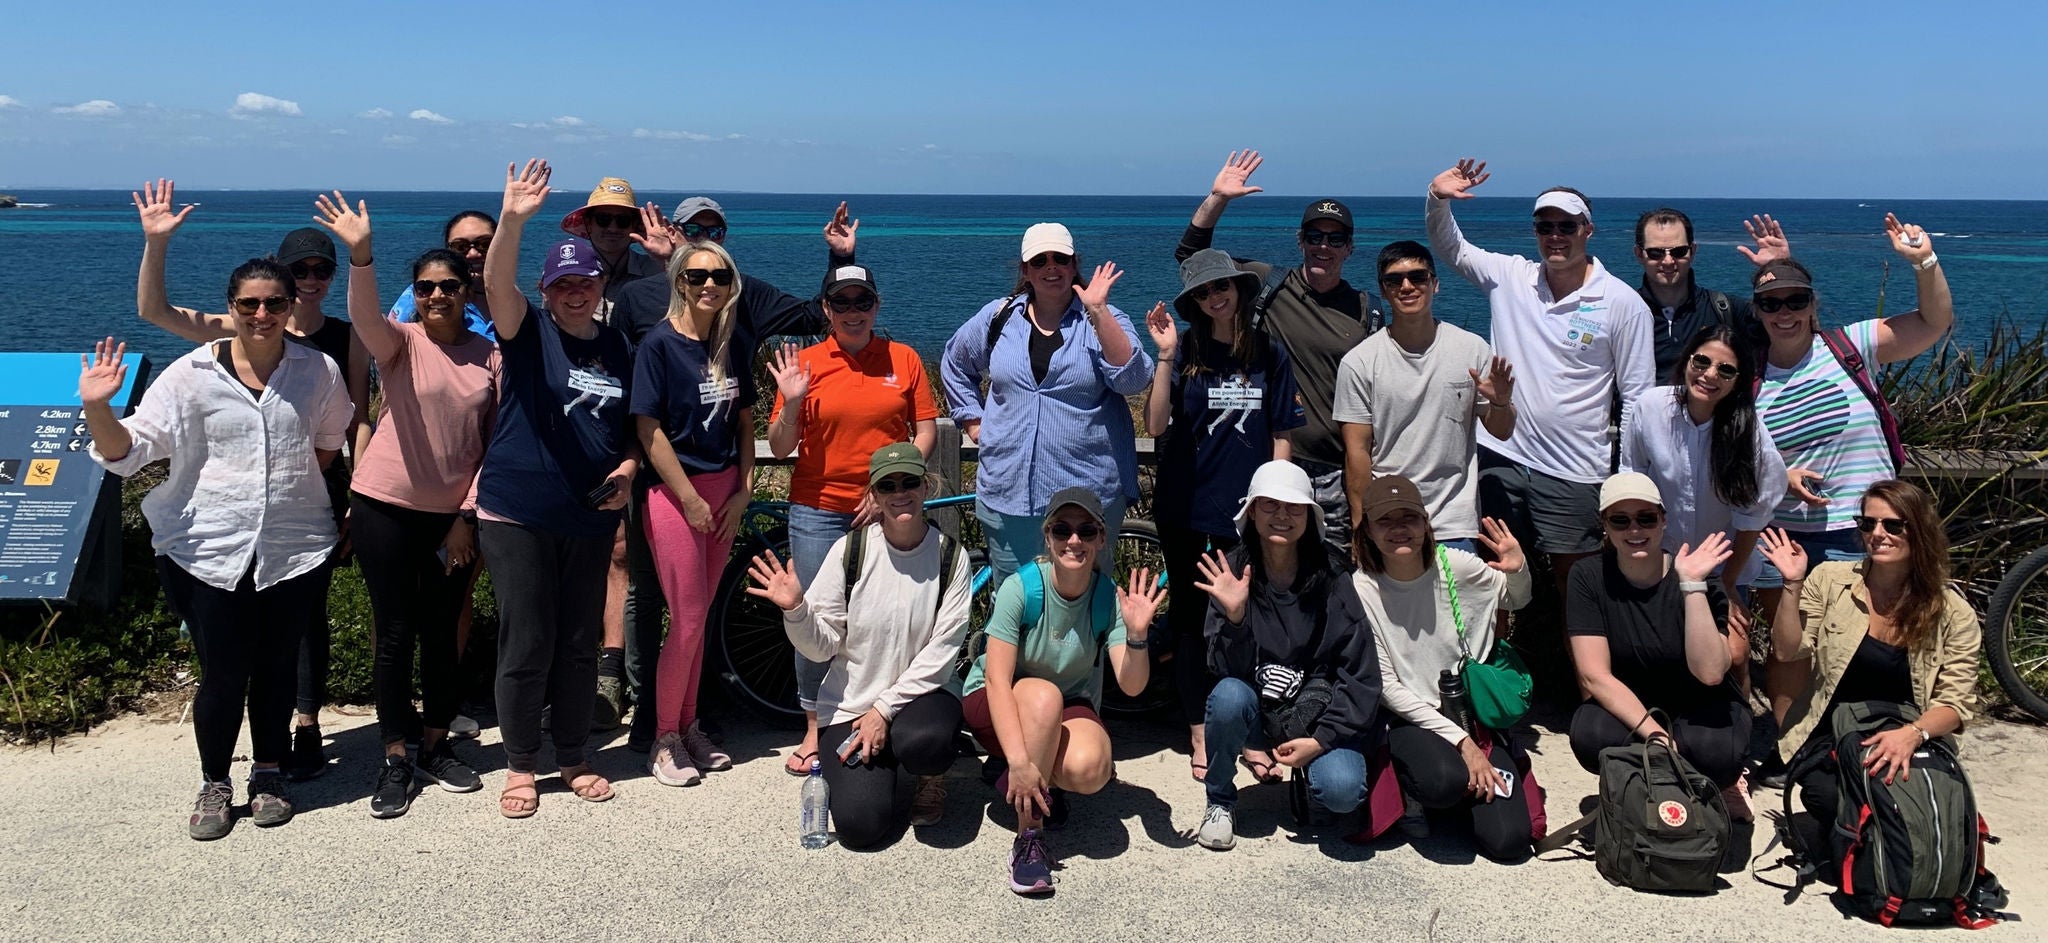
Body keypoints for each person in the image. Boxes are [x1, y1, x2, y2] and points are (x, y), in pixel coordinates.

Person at [82, 257, 352, 839]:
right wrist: (99, 407)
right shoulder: (189, 376)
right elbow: (127, 453)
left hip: (296, 545)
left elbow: (327, 446)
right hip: (205, 548)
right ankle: (214, 781)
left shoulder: (319, 371)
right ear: (230, 308)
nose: (262, 314)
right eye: (249, 304)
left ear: (289, 308)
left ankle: (270, 773)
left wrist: (284, 495)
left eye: (274, 303)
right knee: (224, 673)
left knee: (279, 669)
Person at [130, 179, 371, 781]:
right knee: (243, 645)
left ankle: (304, 725)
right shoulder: (236, 326)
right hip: (250, 505)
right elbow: (155, 313)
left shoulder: (345, 339)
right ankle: (240, 759)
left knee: (300, 624)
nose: (312, 277)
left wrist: (356, 495)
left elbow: (355, 420)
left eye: (322, 267)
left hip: (316, 486)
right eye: (302, 268)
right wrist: (156, 244)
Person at [599, 197, 855, 751]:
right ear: (673, 234)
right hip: (659, 480)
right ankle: (652, 716)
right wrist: (623, 464)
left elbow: (816, 315)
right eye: (693, 233)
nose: (706, 261)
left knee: (698, 608)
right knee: (648, 591)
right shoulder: (638, 297)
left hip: (719, 480)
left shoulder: (746, 297)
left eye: (714, 235)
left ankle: (691, 715)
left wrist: (839, 258)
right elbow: (624, 386)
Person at [313, 193, 498, 818]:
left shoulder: (490, 356)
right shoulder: (399, 343)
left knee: (442, 635)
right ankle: (395, 756)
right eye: (425, 287)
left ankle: (437, 743)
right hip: (383, 508)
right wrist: (359, 257)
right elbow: (362, 317)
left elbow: (491, 447)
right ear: (414, 293)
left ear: (466, 292)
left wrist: (464, 516)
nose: (438, 296)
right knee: (393, 636)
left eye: (448, 286)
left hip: (451, 521)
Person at [1749, 218, 1954, 753]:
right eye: (1771, 304)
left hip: (1865, 532)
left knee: (1867, 643)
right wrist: (1780, 477)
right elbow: (1734, 458)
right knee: (1790, 649)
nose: (1784, 312)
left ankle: (1868, 736)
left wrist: (1923, 263)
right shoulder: (1749, 377)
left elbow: (1934, 323)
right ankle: (1794, 748)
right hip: (1786, 538)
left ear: (1813, 305)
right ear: (1757, 313)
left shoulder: (1851, 345)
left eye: (1795, 300)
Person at [477, 159, 639, 818]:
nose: (576, 291)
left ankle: (571, 752)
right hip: (517, 510)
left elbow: (634, 427)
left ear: (601, 283)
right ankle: (520, 765)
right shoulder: (526, 333)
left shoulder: (618, 345)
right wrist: (512, 218)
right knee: (528, 638)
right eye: (563, 282)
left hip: (591, 513)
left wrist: (628, 469)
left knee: (578, 639)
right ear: (547, 290)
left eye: (586, 280)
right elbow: (494, 282)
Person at [1426, 160, 1655, 605]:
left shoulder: (1622, 304)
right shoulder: (1512, 277)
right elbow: (1451, 248)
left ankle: (1579, 674)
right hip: (1501, 456)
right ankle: (1495, 672)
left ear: (1588, 230)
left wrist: (1627, 479)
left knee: (1579, 588)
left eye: (1566, 226)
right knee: (1493, 583)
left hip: (1575, 471)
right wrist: (1437, 199)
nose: (1555, 235)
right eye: (1544, 225)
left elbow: (1637, 400)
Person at [745, 444, 971, 848]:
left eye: (910, 482)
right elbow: (820, 646)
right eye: (888, 485)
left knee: (927, 741)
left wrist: (883, 711)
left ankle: (927, 773)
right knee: (860, 827)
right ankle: (882, 764)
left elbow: (943, 653)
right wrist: (796, 609)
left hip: (923, 699)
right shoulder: (851, 551)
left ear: (926, 485)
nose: (900, 492)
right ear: (874, 495)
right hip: (851, 705)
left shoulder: (950, 557)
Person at [767, 264, 940, 776]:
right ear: (826, 310)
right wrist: (792, 403)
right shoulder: (805, 363)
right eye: (840, 303)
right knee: (813, 616)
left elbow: (925, 432)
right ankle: (816, 727)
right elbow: (780, 447)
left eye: (861, 301)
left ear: (876, 306)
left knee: (886, 614)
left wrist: (892, 486)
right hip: (818, 508)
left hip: (888, 507)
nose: (852, 312)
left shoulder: (903, 358)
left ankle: (881, 711)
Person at [1174, 151, 1384, 561]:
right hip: (1268, 462)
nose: (1323, 246)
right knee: (1265, 576)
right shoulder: (1269, 285)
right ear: (1300, 241)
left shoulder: (1367, 309)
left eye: (1335, 238)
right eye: (1314, 236)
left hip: (1334, 473)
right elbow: (1192, 259)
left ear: (1350, 248)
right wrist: (1218, 198)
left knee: (1334, 575)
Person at [1142, 247, 1303, 780]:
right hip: (1186, 506)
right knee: (1190, 619)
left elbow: (1282, 431)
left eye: (1223, 288)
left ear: (1239, 291)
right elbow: (1158, 424)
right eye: (1205, 292)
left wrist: (1275, 499)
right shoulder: (1183, 349)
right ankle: (1198, 727)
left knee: (1250, 618)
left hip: (1246, 512)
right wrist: (1164, 356)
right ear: (1195, 301)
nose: (1216, 298)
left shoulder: (1270, 352)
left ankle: (1248, 726)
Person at [1757, 479, 1981, 856]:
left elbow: (1956, 705)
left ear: (1919, 531)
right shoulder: (1830, 579)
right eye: (1868, 524)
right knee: (1824, 794)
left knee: (1898, 794)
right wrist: (1792, 584)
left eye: (1893, 525)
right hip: (1833, 732)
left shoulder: (1952, 612)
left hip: (1905, 732)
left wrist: (1912, 735)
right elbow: (1787, 650)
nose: (1878, 534)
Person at [960, 488, 1163, 894]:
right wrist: (1020, 759)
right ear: (1047, 536)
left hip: (1062, 703)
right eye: (1062, 529)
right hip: (995, 698)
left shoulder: (1107, 596)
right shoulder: (1024, 587)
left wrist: (1137, 635)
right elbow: (998, 680)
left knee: (1092, 769)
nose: (1074, 540)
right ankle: (1028, 838)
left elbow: (1132, 684)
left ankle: (1024, 781)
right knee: (1043, 697)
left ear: (1101, 539)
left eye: (1087, 530)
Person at [940, 224, 1152, 591]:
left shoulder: (1104, 319)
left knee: (1084, 610)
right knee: (1016, 604)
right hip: (1008, 493)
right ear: (1025, 270)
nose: (1050, 267)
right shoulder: (999, 316)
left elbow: (1132, 379)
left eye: (1060, 258)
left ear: (1074, 265)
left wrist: (1098, 310)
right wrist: (975, 423)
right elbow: (955, 363)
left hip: (1087, 499)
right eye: (1040, 260)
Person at [1191, 461, 1379, 851]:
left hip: (1315, 714)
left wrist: (1322, 741)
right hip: (1256, 708)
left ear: (1310, 516)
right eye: (1269, 505)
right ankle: (1220, 800)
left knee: (1342, 792)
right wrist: (1236, 617)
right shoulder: (1232, 570)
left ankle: (1311, 774)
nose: (1281, 515)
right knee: (1228, 695)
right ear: (1252, 511)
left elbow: (1360, 673)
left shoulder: (1332, 577)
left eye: (1294, 507)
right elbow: (1221, 670)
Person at [1353, 476, 1535, 862]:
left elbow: (1515, 599)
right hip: (1411, 718)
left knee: (1509, 842)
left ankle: (1460, 798)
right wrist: (1462, 745)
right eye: (1385, 520)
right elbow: (1387, 687)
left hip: (1471, 715)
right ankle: (1417, 790)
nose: (1400, 528)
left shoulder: (1454, 565)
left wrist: (1518, 570)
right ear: (1367, 530)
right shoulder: (1362, 587)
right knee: (1443, 780)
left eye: (1410, 517)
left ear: (1426, 524)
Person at [632, 238, 757, 787]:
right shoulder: (658, 345)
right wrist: (688, 498)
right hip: (677, 497)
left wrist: (744, 491)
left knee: (699, 619)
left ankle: (689, 726)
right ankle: (664, 737)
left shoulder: (733, 343)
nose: (710, 285)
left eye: (721, 277)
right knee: (683, 621)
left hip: (725, 495)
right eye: (699, 275)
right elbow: (647, 430)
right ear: (680, 280)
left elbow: (747, 425)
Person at [1566, 473, 1751, 819]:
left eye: (1646, 518)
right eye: (1620, 520)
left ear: (1663, 520)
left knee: (1717, 753)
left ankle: (1719, 783)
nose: (1634, 530)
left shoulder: (1699, 573)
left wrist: (1693, 586)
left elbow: (1711, 673)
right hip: (1636, 702)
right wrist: (1656, 736)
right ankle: (1645, 784)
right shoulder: (1588, 577)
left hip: (1701, 702)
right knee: (1591, 733)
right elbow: (1594, 676)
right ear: (1605, 525)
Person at [1621, 326, 1788, 696]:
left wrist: (1727, 585)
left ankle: (1737, 725)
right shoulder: (1651, 408)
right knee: (1660, 647)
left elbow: (1752, 519)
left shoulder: (1749, 432)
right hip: (1660, 557)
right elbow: (1632, 479)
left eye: (1725, 370)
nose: (1710, 375)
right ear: (1687, 361)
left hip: (1723, 565)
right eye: (1702, 361)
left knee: (1736, 651)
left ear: (1738, 380)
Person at [1335, 240, 1517, 553]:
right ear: (1384, 289)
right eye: (1395, 280)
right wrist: (1361, 526)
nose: (1407, 286)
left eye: (1418, 277)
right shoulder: (1360, 361)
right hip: (1388, 520)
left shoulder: (1472, 350)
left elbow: (1502, 429)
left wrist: (1500, 402)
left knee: (1456, 604)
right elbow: (1357, 454)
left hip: (1453, 521)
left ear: (1435, 285)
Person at [1633, 208, 1784, 376]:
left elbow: (1791, 335)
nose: (1668, 261)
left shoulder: (1726, 311)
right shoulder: (1624, 314)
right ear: (1639, 254)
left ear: (1693, 251)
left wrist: (1780, 269)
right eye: (1656, 253)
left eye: (1679, 252)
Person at [390, 209, 498, 340]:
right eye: (460, 246)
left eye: (485, 244)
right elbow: (386, 346)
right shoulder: (422, 294)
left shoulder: (515, 301)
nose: (473, 254)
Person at [561, 176, 665, 308]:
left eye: (623, 221)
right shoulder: (567, 272)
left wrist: (668, 257)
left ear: (634, 225)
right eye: (603, 219)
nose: (613, 228)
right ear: (589, 224)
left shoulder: (657, 270)